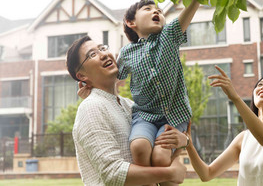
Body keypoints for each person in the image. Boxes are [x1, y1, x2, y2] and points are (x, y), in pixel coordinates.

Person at [117, 0, 208, 186]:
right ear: (132, 22)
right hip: (145, 115)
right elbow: (113, 76)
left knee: (160, 157)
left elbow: (190, 10)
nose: (156, 11)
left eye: (159, 10)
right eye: (148, 9)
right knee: (139, 148)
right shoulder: (126, 53)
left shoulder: (169, 36)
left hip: (173, 114)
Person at [66, 35, 189, 186]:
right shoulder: (91, 107)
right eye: (93, 54)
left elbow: (161, 152)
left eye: (102, 48)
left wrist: (183, 141)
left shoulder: (131, 106)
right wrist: (169, 174)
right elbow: (112, 173)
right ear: (82, 76)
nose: (104, 54)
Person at [156, 65, 263, 186]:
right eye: (259, 85)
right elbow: (207, 174)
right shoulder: (243, 138)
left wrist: (235, 97)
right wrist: (189, 144)